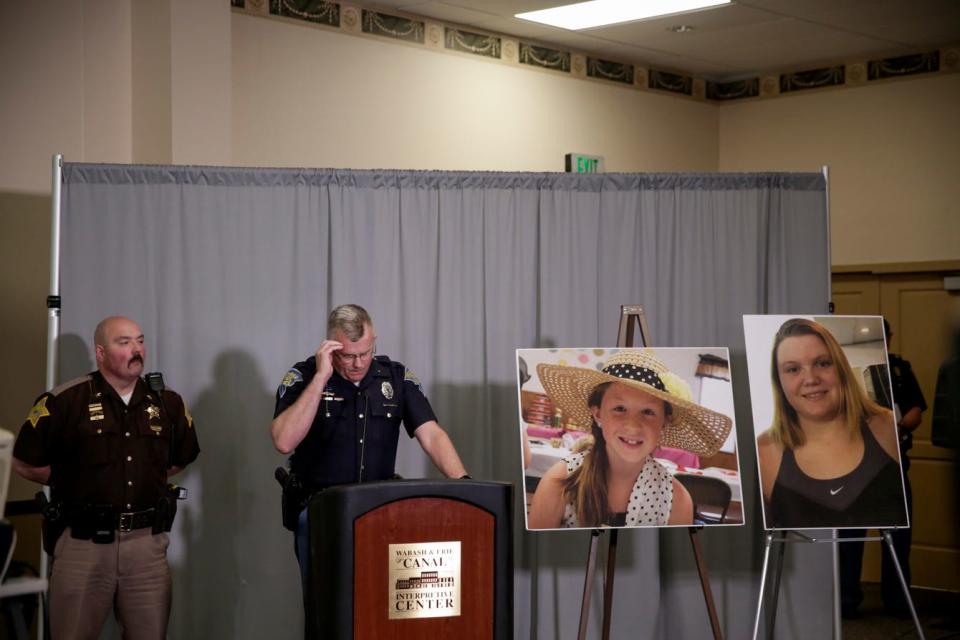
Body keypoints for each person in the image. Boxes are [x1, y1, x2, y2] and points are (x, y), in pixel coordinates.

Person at [12, 316, 200, 639]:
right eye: (124, 342)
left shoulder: (167, 402)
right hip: (83, 545)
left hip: (146, 546)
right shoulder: (65, 401)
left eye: (139, 341)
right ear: (100, 353)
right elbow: (24, 461)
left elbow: (178, 460)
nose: (136, 349)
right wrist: (72, 480)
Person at [270, 304, 468, 590]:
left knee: (378, 607)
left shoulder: (395, 377)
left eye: (365, 353)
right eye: (348, 356)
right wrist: (321, 378)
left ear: (374, 341)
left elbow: (432, 435)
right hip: (321, 514)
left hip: (381, 515)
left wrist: (463, 484)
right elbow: (283, 440)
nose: (359, 363)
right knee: (325, 607)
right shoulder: (304, 377)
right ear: (329, 348)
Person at [527, 350, 733, 529]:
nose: (633, 426)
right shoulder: (560, 483)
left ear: (664, 421)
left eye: (648, 412)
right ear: (598, 414)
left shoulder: (676, 501)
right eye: (619, 409)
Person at [756, 318, 908, 529]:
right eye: (793, 369)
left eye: (822, 363)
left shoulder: (887, 425)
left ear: (841, 369)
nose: (810, 379)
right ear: (779, 381)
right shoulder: (763, 451)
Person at [839, 319, 926, 618]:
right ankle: (847, 600)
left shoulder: (900, 370)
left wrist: (899, 423)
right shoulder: (840, 372)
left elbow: (916, 409)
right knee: (850, 538)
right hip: (851, 466)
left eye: (881, 337)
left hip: (893, 464)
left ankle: (897, 601)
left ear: (889, 337)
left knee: (898, 537)